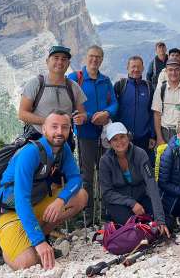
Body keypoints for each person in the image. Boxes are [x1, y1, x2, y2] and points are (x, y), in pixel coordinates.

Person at [0, 111, 88, 271]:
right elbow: (21, 201)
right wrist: (39, 243)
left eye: (64, 127)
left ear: (70, 130)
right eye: (54, 127)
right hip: (8, 211)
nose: (59, 132)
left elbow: (76, 179)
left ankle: (33, 238)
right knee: (27, 263)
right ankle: (3, 245)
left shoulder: (64, 149)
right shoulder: (30, 153)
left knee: (80, 196)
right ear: (44, 129)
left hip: (35, 202)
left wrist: (60, 200)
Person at [68, 45, 118, 225]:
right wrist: (89, 117)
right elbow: (70, 104)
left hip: (104, 135)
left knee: (105, 174)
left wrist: (107, 114)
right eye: (92, 56)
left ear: (102, 60)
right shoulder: (75, 79)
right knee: (86, 176)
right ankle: (86, 218)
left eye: (98, 57)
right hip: (85, 135)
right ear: (85, 57)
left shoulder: (105, 81)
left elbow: (114, 104)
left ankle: (106, 214)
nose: (94, 60)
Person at [98, 122, 170, 237]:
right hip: (119, 203)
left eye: (122, 137)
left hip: (140, 196)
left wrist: (160, 219)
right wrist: (131, 203)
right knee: (135, 227)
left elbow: (151, 185)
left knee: (166, 222)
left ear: (128, 137)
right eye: (114, 139)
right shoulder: (105, 161)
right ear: (109, 143)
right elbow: (107, 193)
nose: (120, 142)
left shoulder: (140, 154)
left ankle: (152, 228)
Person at [18, 45, 87, 142]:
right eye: (56, 58)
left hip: (64, 140)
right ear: (47, 61)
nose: (60, 62)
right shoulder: (36, 83)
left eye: (64, 59)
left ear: (68, 64)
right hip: (37, 138)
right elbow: (22, 114)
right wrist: (47, 122)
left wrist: (82, 118)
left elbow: (83, 113)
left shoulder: (73, 87)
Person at [114, 56, 155, 163]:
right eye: (133, 67)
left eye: (138, 67)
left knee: (144, 167)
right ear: (127, 68)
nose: (136, 69)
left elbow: (152, 112)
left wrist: (152, 135)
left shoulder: (149, 87)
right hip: (123, 138)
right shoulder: (120, 86)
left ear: (143, 68)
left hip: (144, 138)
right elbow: (114, 111)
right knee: (124, 168)